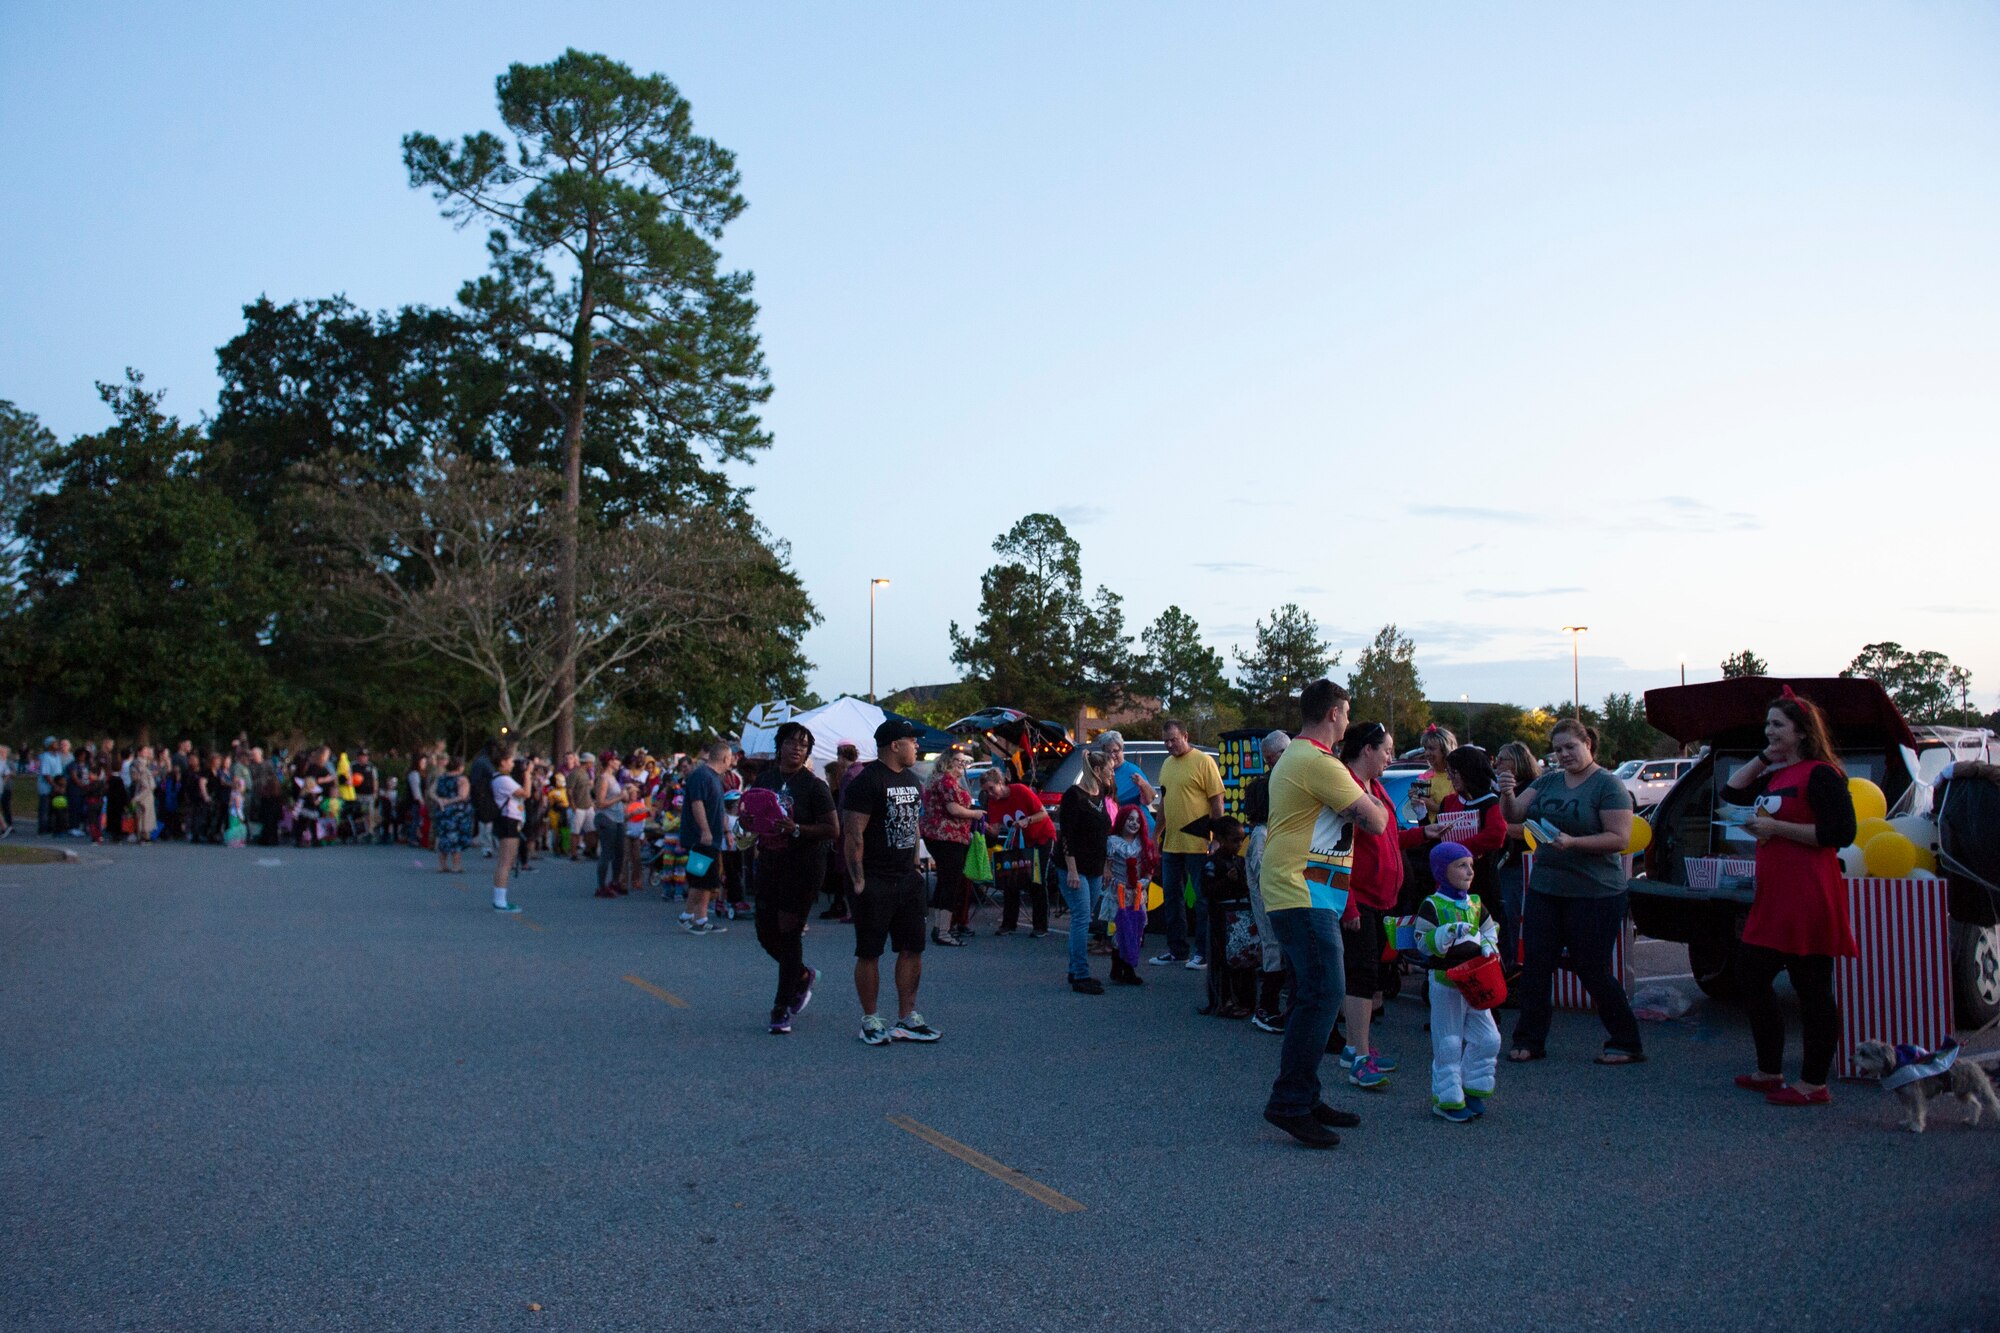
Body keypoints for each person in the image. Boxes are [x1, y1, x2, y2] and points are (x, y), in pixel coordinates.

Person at [1258, 679, 1388, 1149]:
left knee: (1309, 995)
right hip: (1301, 892)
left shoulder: (1300, 757)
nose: (1349, 722)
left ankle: (1306, 1097)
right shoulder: (1317, 760)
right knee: (1324, 994)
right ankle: (1289, 1103)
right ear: (1334, 713)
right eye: (1348, 713)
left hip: (1306, 891)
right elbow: (1375, 821)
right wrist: (1371, 796)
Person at [1721, 688, 1859, 1107]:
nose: (1769, 731)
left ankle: (1814, 1082)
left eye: (1778, 725)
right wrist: (1765, 756)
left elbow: (1840, 834)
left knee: (1812, 988)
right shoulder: (1777, 773)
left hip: (1808, 894)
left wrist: (1777, 830)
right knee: (1750, 975)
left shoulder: (1822, 774)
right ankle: (1770, 1069)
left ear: (1801, 732)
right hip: (1774, 896)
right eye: (1767, 724)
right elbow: (1731, 791)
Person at [1497, 718, 1643, 1065]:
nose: (1564, 754)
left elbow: (1620, 839)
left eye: (1570, 747)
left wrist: (1574, 842)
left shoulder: (1608, 786)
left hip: (1597, 892)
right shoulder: (1548, 782)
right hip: (1547, 887)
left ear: (1588, 745)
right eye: (1558, 749)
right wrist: (1506, 792)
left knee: (1590, 967)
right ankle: (1529, 1040)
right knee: (1535, 965)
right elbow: (1514, 815)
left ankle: (1626, 1040)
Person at [840, 719, 942, 1046]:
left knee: (913, 948)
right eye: (912, 741)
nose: (917, 747)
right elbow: (853, 834)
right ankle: (871, 1019)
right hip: (874, 879)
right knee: (870, 952)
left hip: (906, 880)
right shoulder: (866, 782)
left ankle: (906, 1018)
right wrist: (858, 882)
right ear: (895, 745)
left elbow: (912, 826)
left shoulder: (913, 780)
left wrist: (915, 866)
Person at [751, 722, 839, 1035]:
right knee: (765, 932)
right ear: (780, 746)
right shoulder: (765, 779)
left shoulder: (814, 786)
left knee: (789, 932)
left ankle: (781, 1006)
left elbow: (832, 829)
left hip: (803, 866)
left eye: (803, 745)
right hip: (770, 862)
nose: (797, 749)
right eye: (791, 743)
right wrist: (748, 822)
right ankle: (801, 975)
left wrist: (798, 829)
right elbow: (752, 814)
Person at [1338, 722, 1405, 1086]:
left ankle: (1356, 1046)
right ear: (1367, 749)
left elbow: (1388, 838)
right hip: (1358, 897)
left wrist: (1421, 834)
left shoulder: (1374, 786)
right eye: (1387, 750)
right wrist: (1348, 904)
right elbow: (1337, 849)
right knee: (1360, 975)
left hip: (1381, 897)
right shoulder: (1346, 787)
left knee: (1371, 975)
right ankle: (1358, 1055)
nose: (1390, 757)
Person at [1415, 841, 1502, 1122]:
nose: (1469, 871)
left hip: (1476, 979)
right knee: (1449, 1043)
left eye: (1471, 865)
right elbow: (1422, 942)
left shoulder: (1475, 903)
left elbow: (1490, 929)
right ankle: (1447, 1099)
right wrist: (1446, 933)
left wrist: (1489, 946)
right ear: (1442, 870)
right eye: (1461, 866)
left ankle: (1473, 1087)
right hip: (1445, 982)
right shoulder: (1432, 905)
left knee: (1489, 1038)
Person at [1153, 719, 1224, 968]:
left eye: (1173, 739)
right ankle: (1177, 950)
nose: (1169, 745)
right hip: (1172, 842)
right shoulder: (1166, 764)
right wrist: (1156, 834)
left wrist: (1216, 838)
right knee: (1172, 897)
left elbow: (1217, 800)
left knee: (1201, 899)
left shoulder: (1203, 761)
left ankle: (1202, 953)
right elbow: (1165, 802)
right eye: (1165, 741)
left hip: (1198, 843)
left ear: (1186, 735)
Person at [1056, 746, 1115, 995]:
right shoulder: (1074, 795)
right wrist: (1071, 870)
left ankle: (1075, 969)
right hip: (1074, 866)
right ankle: (1080, 974)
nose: (1112, 774)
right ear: (1098, 770)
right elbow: (1066, 834)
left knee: (1085, 917)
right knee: (1081, 918)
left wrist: (1105, 867)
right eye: (1110, 770)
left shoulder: (1099, 794)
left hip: (1093, 866)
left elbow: (1102, 835)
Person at [1245, 730, 1291, 1033]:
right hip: (1269, 902)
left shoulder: (1267, 831)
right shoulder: (1261, 835)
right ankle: (1266, 1006)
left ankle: (1272, 1003)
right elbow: (1263, 871)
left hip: (1275, 899)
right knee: (1273, 949)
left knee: (1279, 950)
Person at [978, 765, 1057, 936]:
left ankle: (1040, 926)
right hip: (1019, 841)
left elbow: (1043, 814)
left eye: (991, 789)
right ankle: (1009, 923)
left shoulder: (1020, 791)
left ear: (1001, 782)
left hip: (1040, 837)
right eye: (986, 791)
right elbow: (997, 829)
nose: (990, 794)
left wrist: (1027, 820)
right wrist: (986, 827)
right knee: (1010, 879)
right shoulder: (993, 803)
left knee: (1037, 879)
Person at [1491, 741, 1543, 976]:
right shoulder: (1500, 790)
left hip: (1524, 863)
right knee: (1504, 917)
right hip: (1504, 860)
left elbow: (1534, 830)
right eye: (1497, 759)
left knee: (1515, 916)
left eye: (1503, 759)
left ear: (1518, 762)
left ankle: (1516, 969)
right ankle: (1507, 965)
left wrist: (1500, 827)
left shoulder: (1534, 789)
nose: (1497, 763)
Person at [920, 747, 979, 946]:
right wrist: (976, 814)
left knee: (945, 881)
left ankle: (940, 927)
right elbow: (953, 809)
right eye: (959, 762)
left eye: (965, 762)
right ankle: (944, 931)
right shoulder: (945, 781)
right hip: (947, 837)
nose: (963, 766)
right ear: (948, 762)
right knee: (950, 883)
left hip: (941, 836)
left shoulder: (939, 780)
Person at [679, 741, 734, 935]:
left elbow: (719, 810)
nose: (732, 762)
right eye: (731, 758)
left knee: (710, 880)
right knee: (700, 878)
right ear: (725, 758)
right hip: (701, 839)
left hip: (713, 839)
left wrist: (727, 832)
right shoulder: (701, 776)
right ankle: (686, 916)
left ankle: (701, 919)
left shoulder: (714, 777)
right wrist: (705, 830)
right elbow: (697, 803)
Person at [1101, 805, 1153, 986]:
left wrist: (1144, 882)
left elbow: (1148, 869)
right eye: (1130, 819)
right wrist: (1109, 876)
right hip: (1118, 894)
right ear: (1122, 820)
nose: (1134, 823)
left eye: (1138, 820)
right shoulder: (1112, 841)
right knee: (1119, 931)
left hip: (1137, 895)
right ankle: (1119, 967)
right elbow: (1106, 866)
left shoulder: (1143, 843)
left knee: (1135, 931)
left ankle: (1128, 966)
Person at [1097, 730, 1157, 832]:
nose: (1112, 755)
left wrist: (1143, 784)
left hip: (1140, 829)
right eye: (1108, 751)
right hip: (1119, 830)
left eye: (1116, 751)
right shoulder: (1101, 772)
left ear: (1122, 750)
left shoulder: (1132, 771)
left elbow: (1150, 799)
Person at [489, 743, 524, 913]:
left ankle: (500, 898)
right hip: (508, 820)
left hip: (507, 820)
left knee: (505, 861)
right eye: (510, 760)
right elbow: (526, 793)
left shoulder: (497, 778)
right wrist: (528, 774)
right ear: (502, 762)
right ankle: (500, 901)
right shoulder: (504, 780)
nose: (513, 764)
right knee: (506, 861)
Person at [431, 756, 473, 874]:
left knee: (443, 836)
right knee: (457, 839)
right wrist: (449, 801)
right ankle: (456, 865)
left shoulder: (441, 778)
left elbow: (431, 791)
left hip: (442, 811)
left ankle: (442, 865)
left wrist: (439, 800)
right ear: (460, 767)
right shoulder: (462, 779)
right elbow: (463, 795)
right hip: (457, 812)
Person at [468, 743, 497, 860]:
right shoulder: (486, 763)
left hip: (480, 794)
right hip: (486, 794)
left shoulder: (478, 761)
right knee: (488, 822)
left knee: (483, 821)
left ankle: (486, 845)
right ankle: (488, 845)